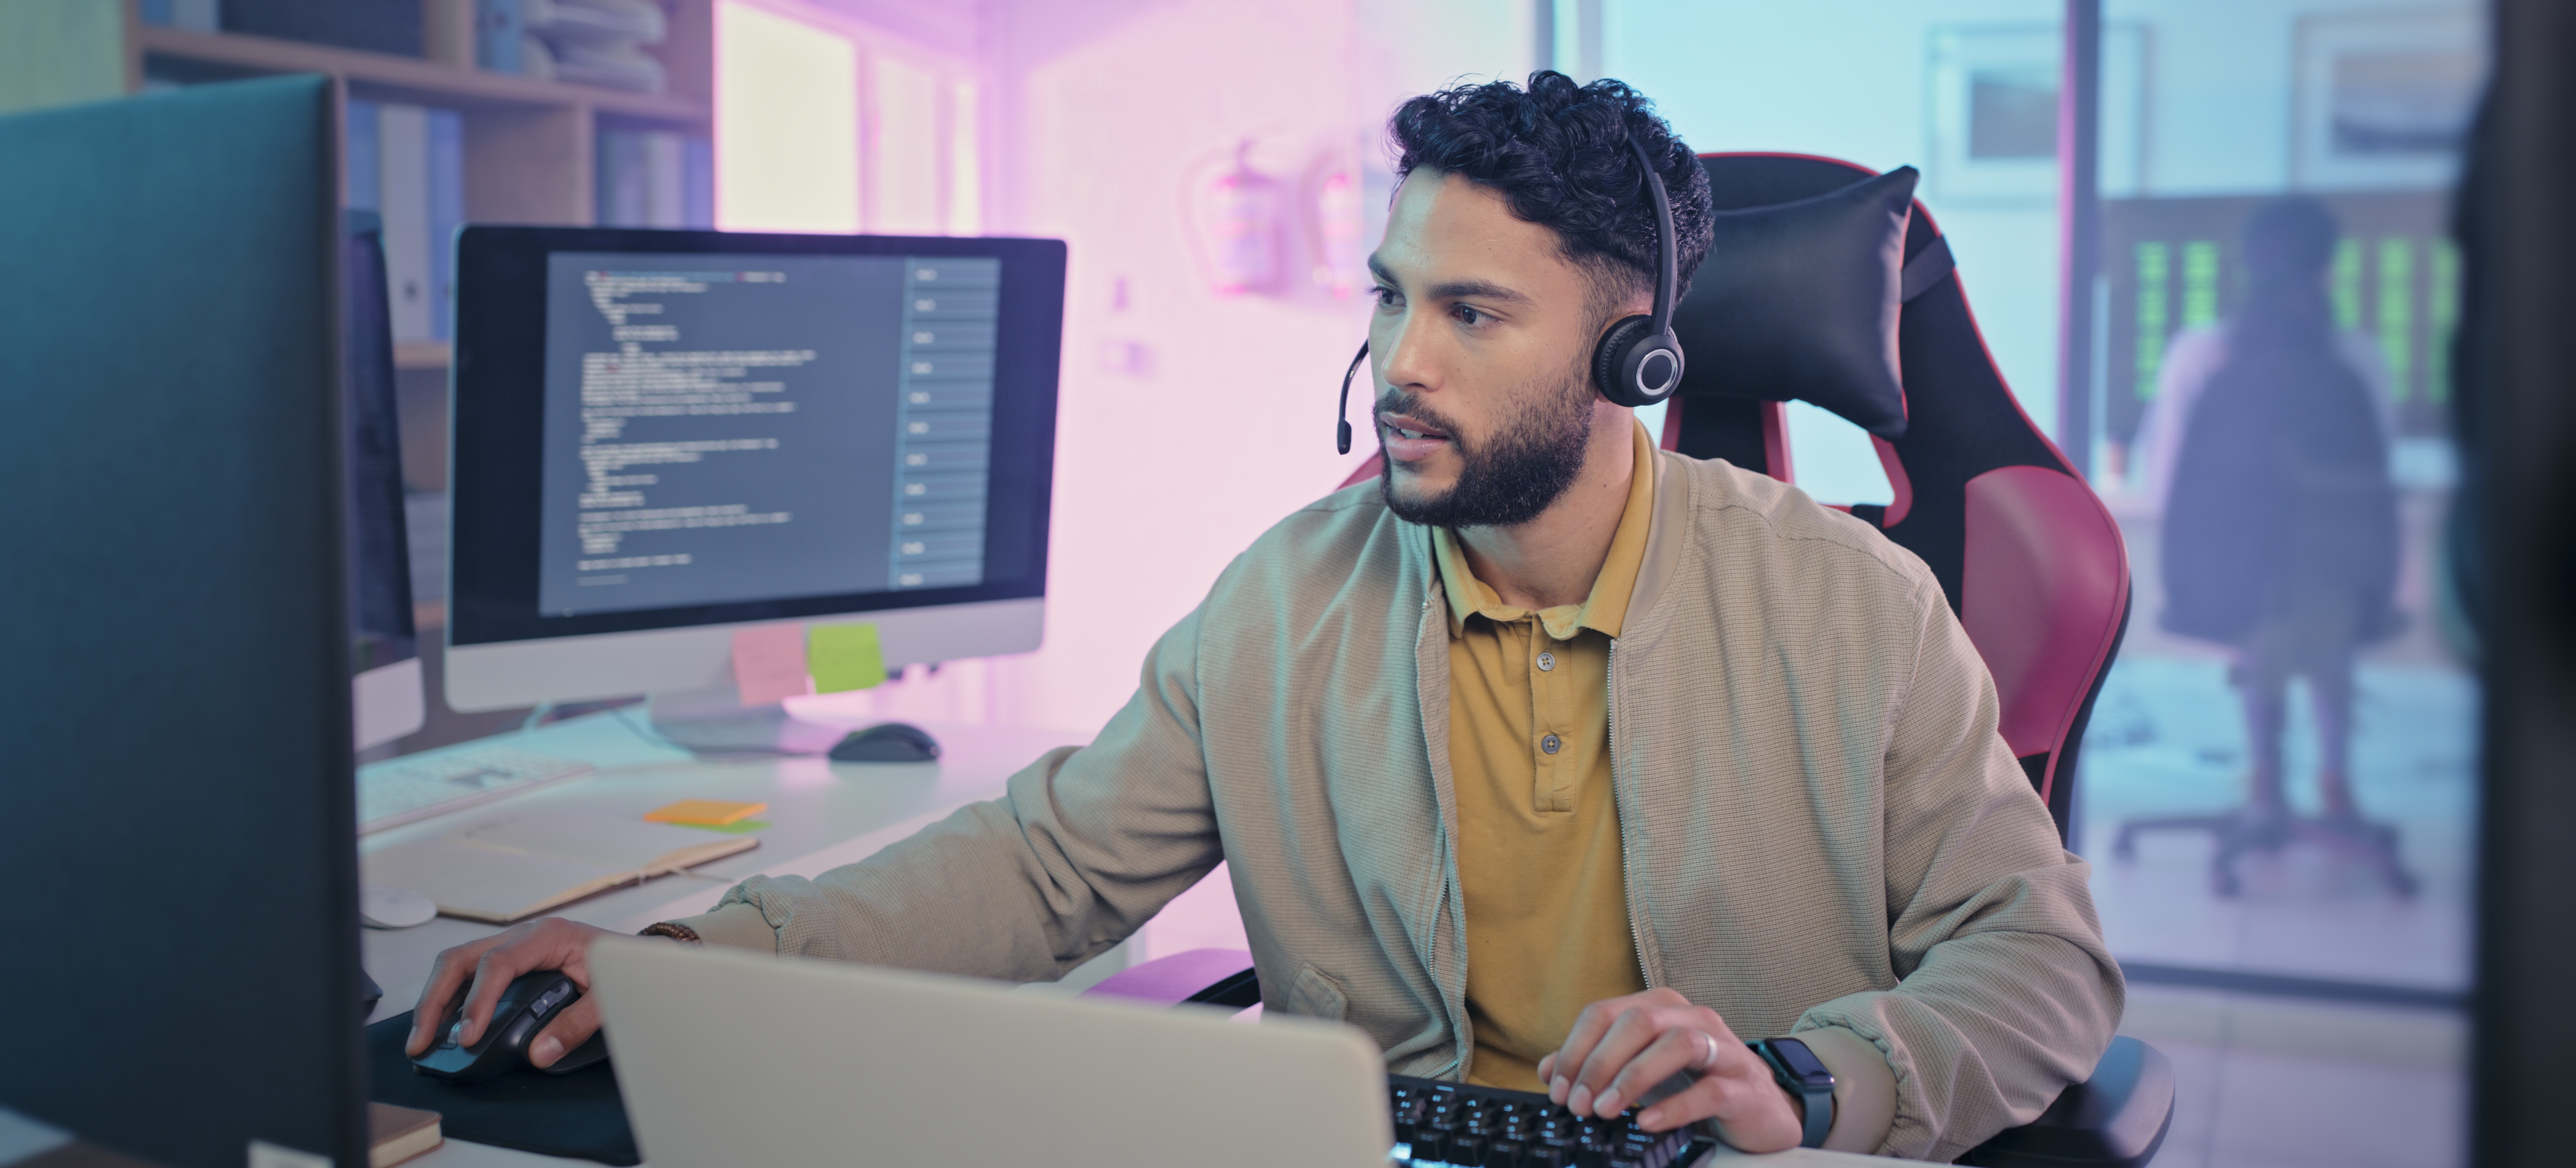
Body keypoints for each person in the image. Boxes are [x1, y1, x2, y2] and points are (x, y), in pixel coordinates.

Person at [409, 73, 2120, 1160]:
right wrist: (698, 964)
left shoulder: (1851, 610)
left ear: (1632, 359)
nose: (1404, 364)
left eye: (1471, 314)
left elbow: (2042, 964)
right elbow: (1042, 865)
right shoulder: (1292, 597)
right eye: (1390, 299)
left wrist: (1813, 1083)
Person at [2157, 197, 2402, 829]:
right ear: (2327, 271)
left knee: (2269, 612)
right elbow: (2378, 482)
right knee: (2321, 617)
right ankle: (2334, 781)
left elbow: (2167, 479)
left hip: (2222, 582)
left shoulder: (2199, 355)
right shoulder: (2358, 359)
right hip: (2335, 588)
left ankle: (2265, 785)